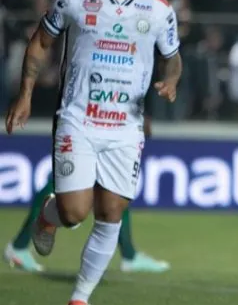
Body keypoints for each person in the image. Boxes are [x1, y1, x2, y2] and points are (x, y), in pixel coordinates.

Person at [5, 0, 181, 305]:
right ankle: (48, 216)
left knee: (111, 211)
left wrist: (171, 81)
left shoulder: (159, 9)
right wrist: (26, 94)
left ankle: (79, 301)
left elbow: (173, 59)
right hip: (78, 120)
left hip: (126, 128)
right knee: (73, 213)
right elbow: (41, 41)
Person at [4, 116, 170, 274]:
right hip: (81, 120)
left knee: (114, 186)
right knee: (62, 181)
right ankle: (20, 245)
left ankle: (129, 254)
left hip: (107, 122)